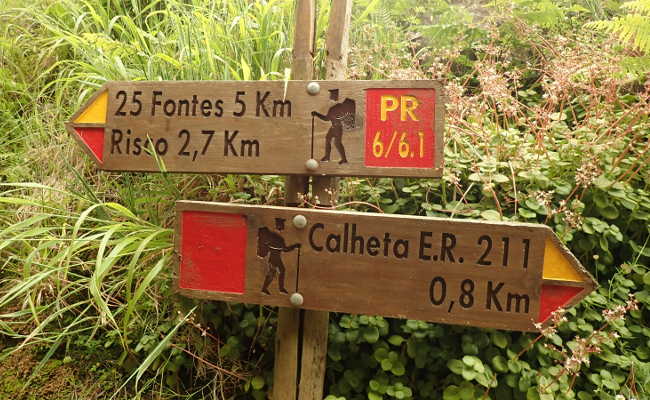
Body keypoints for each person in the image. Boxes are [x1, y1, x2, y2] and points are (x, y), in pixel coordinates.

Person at [257, 218, 301, 295]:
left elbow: (283, 249)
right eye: (280, 228)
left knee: (281, 271)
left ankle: (280, 288)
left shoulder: (277, 238)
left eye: (281, 229)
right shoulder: (276, 238)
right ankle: (265, 289)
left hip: (277, 258)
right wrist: (294, 246)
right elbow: (285, 249)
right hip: (273, 259)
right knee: (272, 274)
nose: (281, 231)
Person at [311, 89, 355, 164]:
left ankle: (344, 159)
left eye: (332, 97)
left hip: (338, 128)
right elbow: (327, 118)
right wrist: (317, 114)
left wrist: (317, 114)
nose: (331, 99)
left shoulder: (338, 107)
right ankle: (327, 157)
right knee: (328, 139)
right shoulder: (333, 108)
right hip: (333, 127)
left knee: (337, 143)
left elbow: (328, 118)